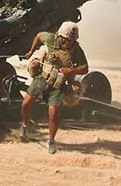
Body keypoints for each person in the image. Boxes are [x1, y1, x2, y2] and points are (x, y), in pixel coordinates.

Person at [21, 21, 88, 154]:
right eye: (67, 39)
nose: (69, 42)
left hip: (58, 84)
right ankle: (25, 126)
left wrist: (70, 71)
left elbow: (85, 69)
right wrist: (31, 51)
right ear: (61, 37)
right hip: (42, 79)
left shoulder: (76, 50)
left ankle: (51, 141)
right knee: (26, 104)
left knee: (53, 114)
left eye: (71, 40)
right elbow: (39, 35)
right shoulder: (51, 38)